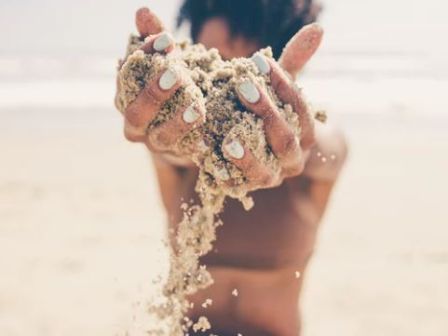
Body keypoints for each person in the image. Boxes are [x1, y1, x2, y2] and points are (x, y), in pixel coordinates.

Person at [115, 0, 348, 335]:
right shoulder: (180, 156)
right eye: (214, 68)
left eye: (240, 75)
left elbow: (330, 150)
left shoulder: (310, 162)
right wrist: (176, 138)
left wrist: (299, 140)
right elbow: (169, 153)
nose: (222, 90)